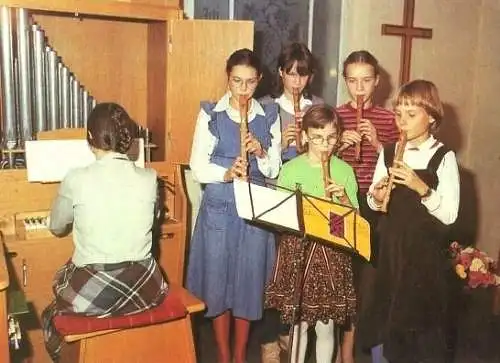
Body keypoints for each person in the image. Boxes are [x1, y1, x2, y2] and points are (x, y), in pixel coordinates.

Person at [42, 102, 167, 361]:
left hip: (94, 292)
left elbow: (56, 226)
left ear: (89, 137)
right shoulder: (150, 177)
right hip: (144, 285)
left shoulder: (75, 178)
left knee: (49, 313)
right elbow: (153, 226)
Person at [187, 48, 281, 363]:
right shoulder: (210, 114)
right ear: (227, 78)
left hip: (255, 210)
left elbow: (275, 169)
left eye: (250, 82)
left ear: (260, 81)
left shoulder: (268, 114)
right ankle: (224, 355)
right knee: (218, 283)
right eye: (236, 81)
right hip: (219, 208)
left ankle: (241, 354)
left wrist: (262, 153)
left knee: (247, 283)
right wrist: (226, 172)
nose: (242, 90)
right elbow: (197, 165)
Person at [360, 79, 460, 363]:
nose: (402, 121)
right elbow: (373, 202)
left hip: (421, 258)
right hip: (389, 251)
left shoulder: (443, 156)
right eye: (398, 113)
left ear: (431, 117)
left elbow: (450, 215)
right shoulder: (389, 152)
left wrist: (422, 188)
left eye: (411, 114)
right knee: (382, 322)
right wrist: (378, 197)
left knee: (414, 332)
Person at [265, 104, 357, 363]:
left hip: (331, 253)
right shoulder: (291, 169)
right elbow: (280, 218)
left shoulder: (344, 171)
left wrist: (343, 200)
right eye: (317, 138)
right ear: (304, 137)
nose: (324, 145)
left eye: (330, 138)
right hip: (299, 251)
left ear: (338, 137)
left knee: (327, 326)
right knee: (300, 325)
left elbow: (354, 223)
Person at [258, 42, 323, 363]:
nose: (297, 82)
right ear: (281, 73)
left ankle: (288, 329)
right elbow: (260, 159)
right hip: (277, 196)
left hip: (309, 198)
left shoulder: (318, 107)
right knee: (274, 270)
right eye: (291, 74)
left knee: (298, 270)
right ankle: (269, 338)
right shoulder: (266, 106)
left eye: (303, 75)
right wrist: (280, 145)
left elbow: (328, 149)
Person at [335, 50, 399, 363]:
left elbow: (399, 167)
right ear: (345, 81)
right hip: (342, 202)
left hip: (375, 206)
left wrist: (376, 145)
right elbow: (321, 163)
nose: (359, 89)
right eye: (352, 81)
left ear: (376, 82)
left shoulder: (390, 120)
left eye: (365, 81)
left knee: (368, 281)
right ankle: (342, 350)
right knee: (343, 279)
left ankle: (364, 344)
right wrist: (336, 147)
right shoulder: (335, 116)